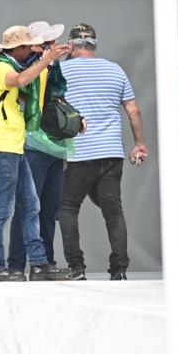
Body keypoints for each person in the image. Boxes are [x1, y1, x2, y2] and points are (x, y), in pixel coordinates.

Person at [55, 23, 146, 281]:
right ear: (94, 44)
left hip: (79, 153)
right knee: (113, 211)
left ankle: (76, 267)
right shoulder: (115, 70)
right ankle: (119, 269)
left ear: (71, 45)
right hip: (111, 153)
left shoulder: (61, 70)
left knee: (68, 208)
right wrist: (140, 144)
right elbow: (133, 111)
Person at [0, 26, 71, 282]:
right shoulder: (0, 67)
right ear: (18, 49)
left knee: (31, 205)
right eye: (27, 47)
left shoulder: (15, 64)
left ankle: (40, 263)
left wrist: (47, 61)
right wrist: (45, 59)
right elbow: (20, 81)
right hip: (2, 146)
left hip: (15, 146)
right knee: (1, 209)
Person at [8, 21, 72, 277]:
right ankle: (15, 264)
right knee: (27, 206)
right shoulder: (25, 65)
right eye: (47, 43)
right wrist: (44, 59)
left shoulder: (52, 67)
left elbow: (58, 95)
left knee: (49, 206)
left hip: (53, 143)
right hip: (31, 144)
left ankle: (46, 262)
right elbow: (22, 88)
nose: (53, 47)